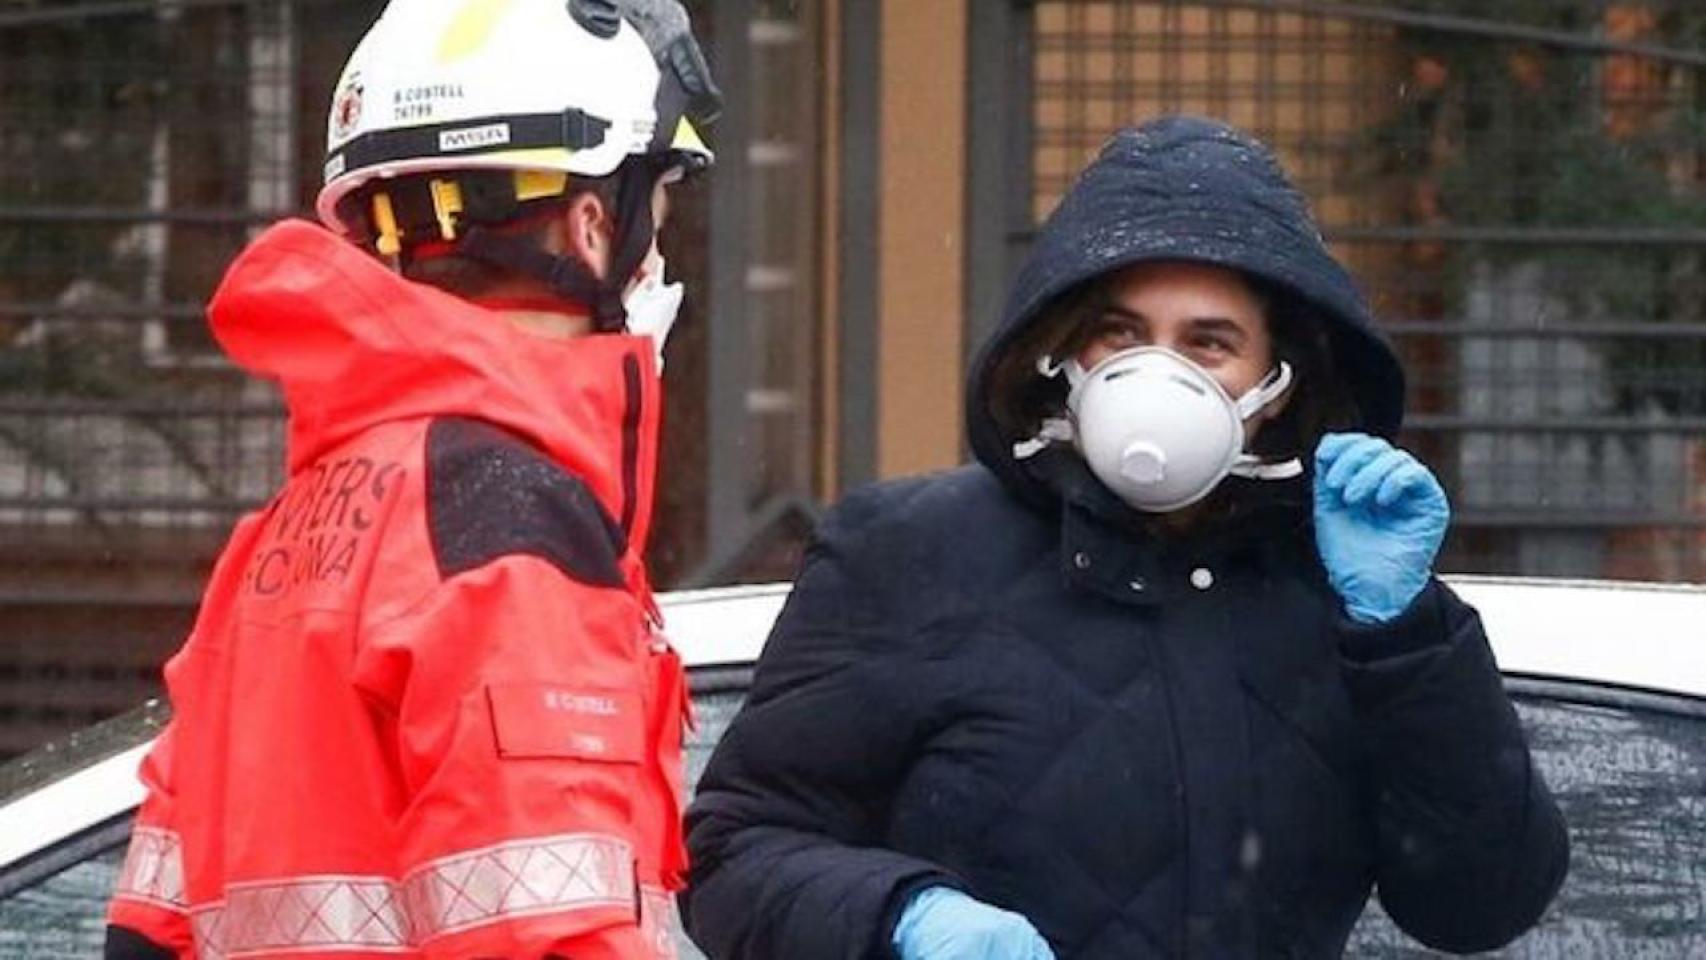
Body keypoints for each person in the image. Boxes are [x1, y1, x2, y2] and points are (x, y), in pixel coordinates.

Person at [681, 116, 1569, 959]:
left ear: (1281, 382)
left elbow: (1480, 902)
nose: (1159, 371)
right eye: (1121, 334)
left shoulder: (1340, 596)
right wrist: (902, 916)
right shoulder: (912, 554)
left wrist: (1404, 635)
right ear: (1062, 352)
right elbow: (731, 851)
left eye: (1209, 343)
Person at [104, 1, 719, 958]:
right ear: (594, 225)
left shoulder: (291, 526)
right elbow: (548, 934)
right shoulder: (508, 526)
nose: (657, 253)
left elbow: (148, 933)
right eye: (656, 213)